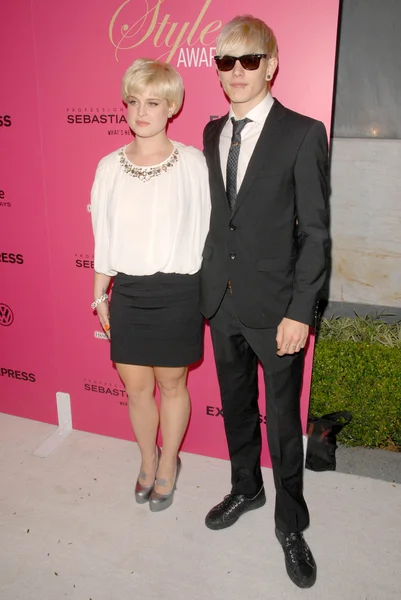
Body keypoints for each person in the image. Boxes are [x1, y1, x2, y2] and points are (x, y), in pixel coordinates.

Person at [200, 15, 329, 588]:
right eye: (225, 61)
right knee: (234, 405)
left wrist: (301, 311)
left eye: (248, 60)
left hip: (278, 307)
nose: (235, 72)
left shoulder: (303, 132)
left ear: (271, 65)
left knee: (282, 421)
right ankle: (246, 487)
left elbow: (317, 233)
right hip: (221, 301)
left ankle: (290, 523)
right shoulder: (210, 133)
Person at [90, 58, 210, 512]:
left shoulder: (194, 165)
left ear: (172, 106)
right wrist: (100, 293)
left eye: (153, 102)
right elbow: (103, 238)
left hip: (179, 291)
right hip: (131, 294)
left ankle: (169, 464)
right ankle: (148, 459)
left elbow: (209, 234)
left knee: (173, 384)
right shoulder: (108, 167)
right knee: (135, 388)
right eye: (134, 101)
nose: (142, 111)